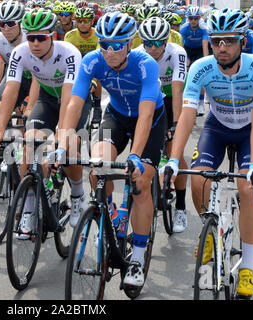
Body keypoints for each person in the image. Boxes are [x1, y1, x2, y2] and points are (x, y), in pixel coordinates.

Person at [160, 8, 253, 298]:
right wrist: (174, 158)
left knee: (247, 187)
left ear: (243, 42)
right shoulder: (202, 67)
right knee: (198, 179)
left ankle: (247, 267)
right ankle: (209, 227)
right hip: (217, 126)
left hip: (250, 129)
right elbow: (187, 116)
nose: (221, 47)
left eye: (229, 41)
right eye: (216, 41)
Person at [58, 11, 166, 288]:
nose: (109, 51)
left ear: (129, 44)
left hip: (150, 119)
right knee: (97, 169)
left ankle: (138, 258)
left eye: (116, 45)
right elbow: (74, 103)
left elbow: (144, 116)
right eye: (104, 44)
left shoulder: (145, 65)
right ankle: (115, 215)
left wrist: (134, 155)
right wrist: (62, 142)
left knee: (140, 181)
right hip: (115, 115)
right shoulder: (92, 60)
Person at [0, 8, 91, 234]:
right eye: (30, 36)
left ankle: (77, 192)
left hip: (74, 100)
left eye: (40, 37)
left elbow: (67, 102)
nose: (34, 43)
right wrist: (0, 128)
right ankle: (29, 208)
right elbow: (11, 91)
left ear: (52, 36)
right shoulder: (20, 52)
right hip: (47, 99)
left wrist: (60, 141)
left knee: (70, 148)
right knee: (29, 145)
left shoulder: (69, 53)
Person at [136, 17, 189, 233]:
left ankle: (182, 207)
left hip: (171, 98)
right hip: (151, 99)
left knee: (174, 150)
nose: (153, 48)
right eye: (148, 43)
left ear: (166, 40)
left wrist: (176, 124)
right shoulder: (139, 53)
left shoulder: (177, 53)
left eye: (158, 43)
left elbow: (177, 89)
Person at [64, 6, 102, 123]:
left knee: (99, 72)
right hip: (78, 62)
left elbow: (100, 58)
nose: (82, 24)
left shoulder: (98, 34)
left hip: (95, 63)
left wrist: (94, 79)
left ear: (92, 21)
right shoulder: (70, 36)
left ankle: (97, 106)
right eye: (79, 21)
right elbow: (67, 59)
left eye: (86, 21)